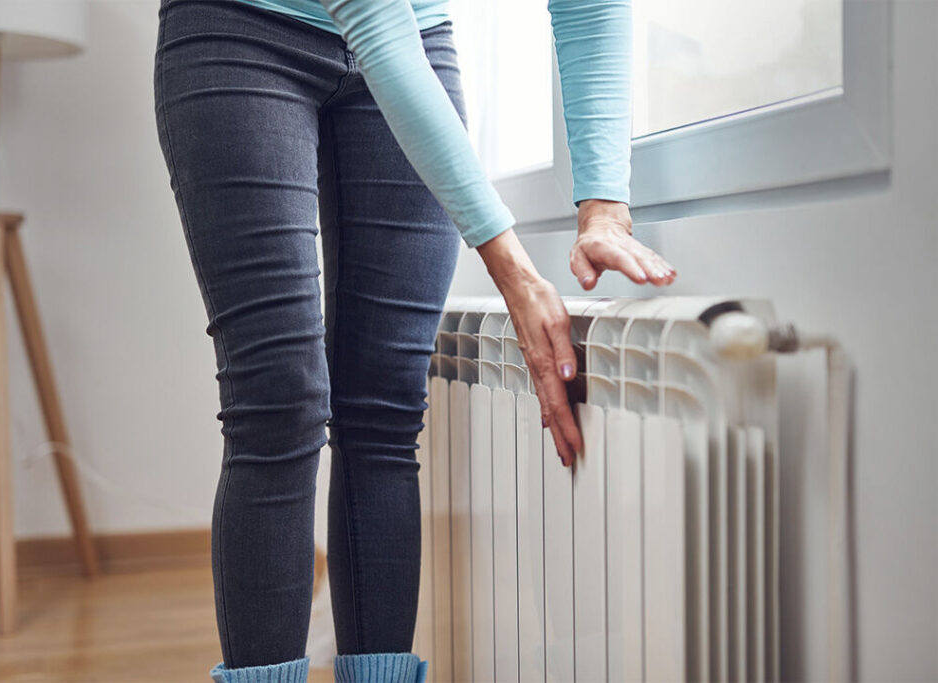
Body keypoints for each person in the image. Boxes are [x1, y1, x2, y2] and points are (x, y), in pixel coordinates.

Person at [152, 0, 675, 681]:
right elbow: (372, 19)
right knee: (280, 398)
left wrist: (603, 205)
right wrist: (513, 269)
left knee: (385, 407)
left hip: (415, 35)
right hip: (240, 28)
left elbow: (590, 6)